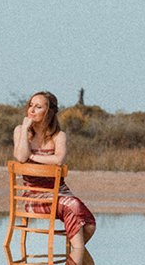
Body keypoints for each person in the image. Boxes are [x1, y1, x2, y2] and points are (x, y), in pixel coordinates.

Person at [12, 91, 96, 249]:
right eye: (31, 105)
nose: (32, 110)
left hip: (60, 192)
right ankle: (76, 260)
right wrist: (24, 130)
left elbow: (58, 160)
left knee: (89, 224)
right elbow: (21, 157)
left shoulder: (59, 136)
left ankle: (74, 257)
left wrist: (34, 157)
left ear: (49, 112)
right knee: (73, 206)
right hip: (35, 197)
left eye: (38, 107)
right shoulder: (20, 131)